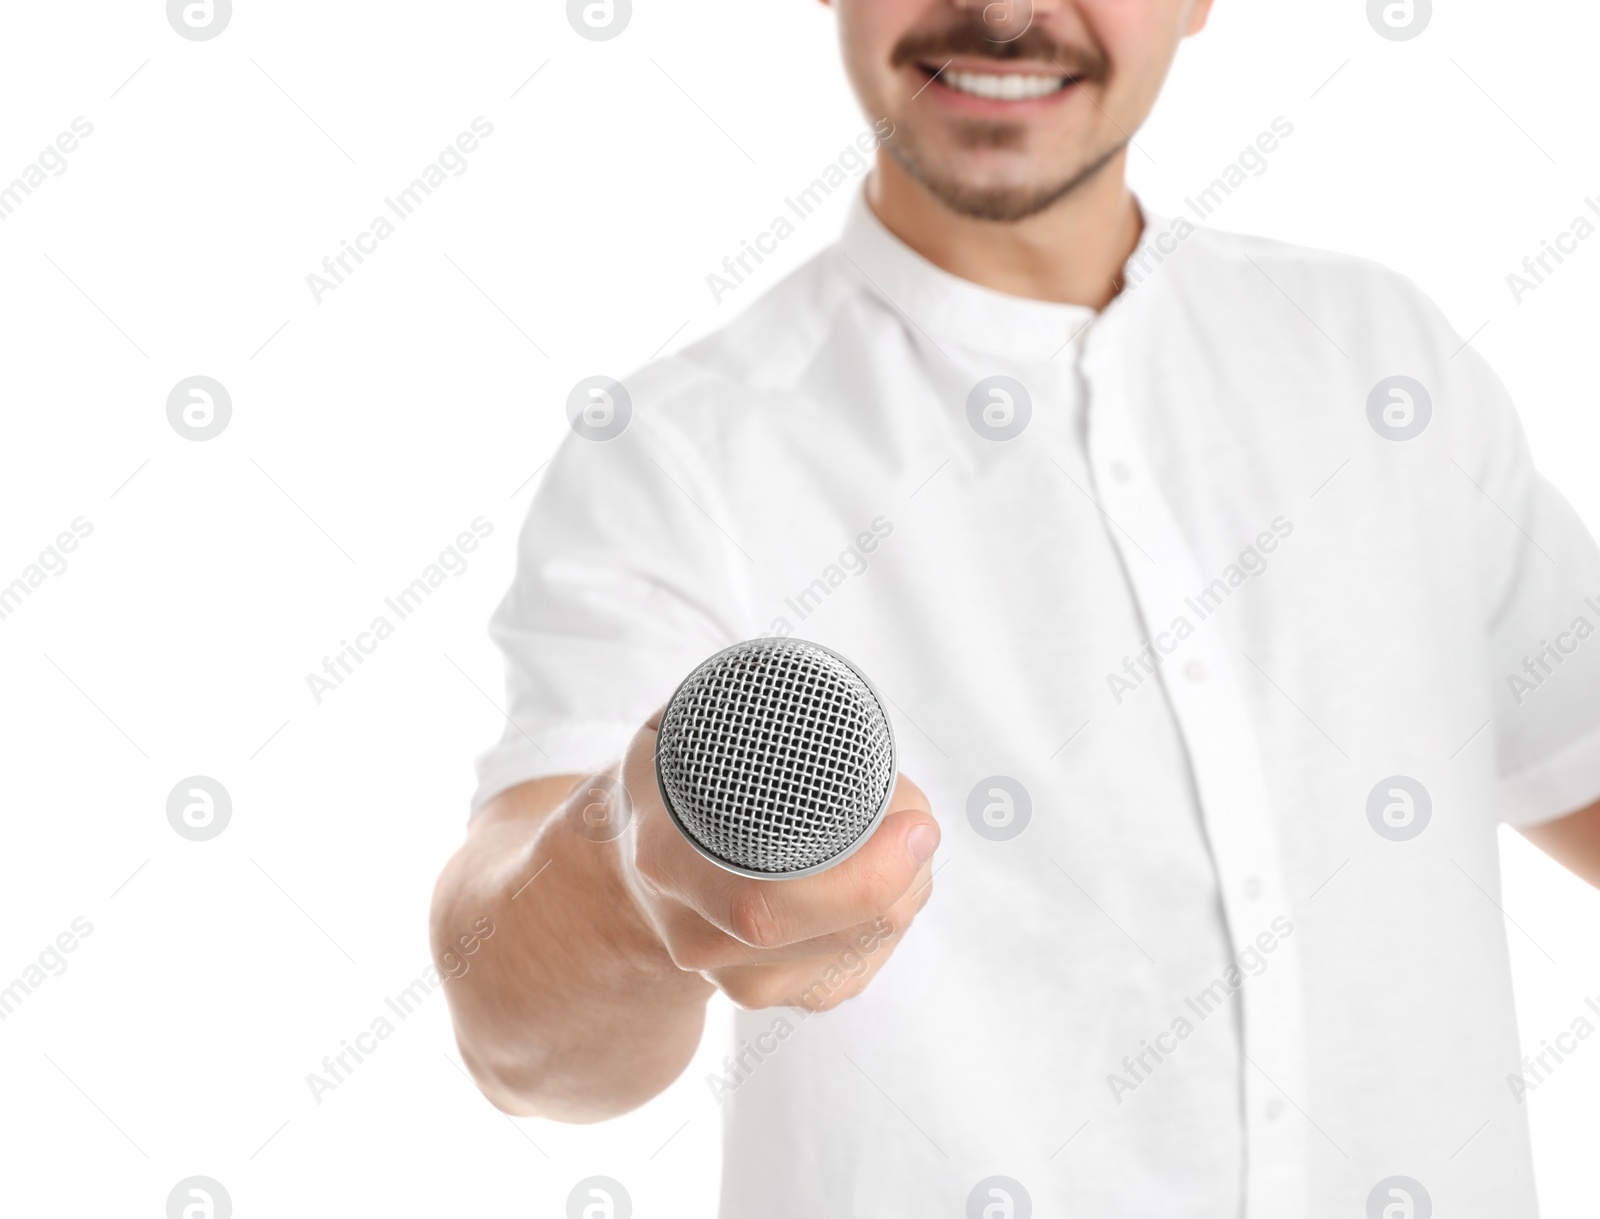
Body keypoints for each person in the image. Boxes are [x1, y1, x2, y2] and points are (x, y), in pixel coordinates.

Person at [430, 1, 1600, 1214]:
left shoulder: (1378, 359)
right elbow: (516, 1036)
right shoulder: (675, 458)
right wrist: (633, 887)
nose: (1003, 13)